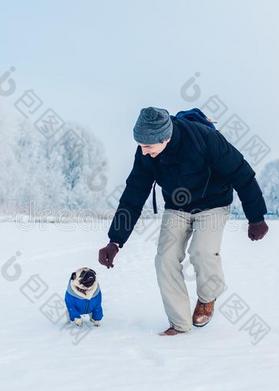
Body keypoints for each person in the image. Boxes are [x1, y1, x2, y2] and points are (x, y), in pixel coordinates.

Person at [98, 107, 269, 336]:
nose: (143, 151)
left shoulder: (205, 138)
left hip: (213, 203)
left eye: (148, 146)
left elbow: (241, 172)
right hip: (177, 208)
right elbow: (134, 194)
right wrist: (115, 241)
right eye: (140, 145)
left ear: (165, 138)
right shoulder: (146, 153)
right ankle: (179, 323)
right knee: (165, 258)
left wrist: (256, 217)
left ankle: (207, 298)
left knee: (202, 252)